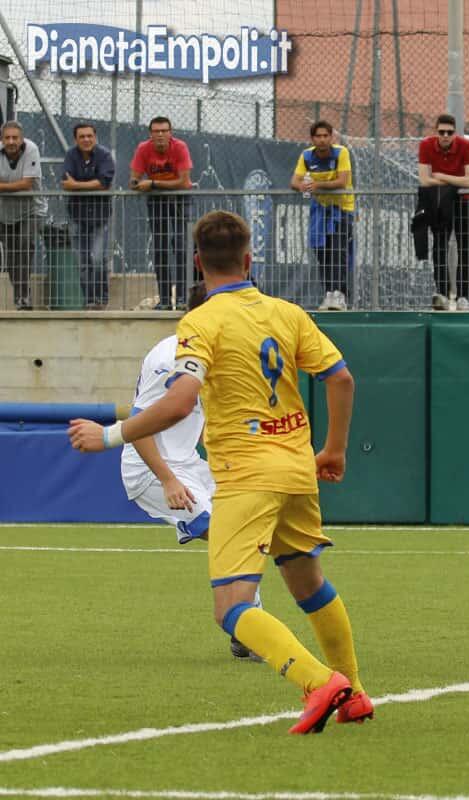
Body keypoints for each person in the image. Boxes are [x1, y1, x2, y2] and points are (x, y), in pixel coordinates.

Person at [69, 210, 373, 733]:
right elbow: (341, 379)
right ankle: (356, 693)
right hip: (296, 468)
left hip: (245, 475)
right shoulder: (287, 313)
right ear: (249, 260)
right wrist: (335, 450)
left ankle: (318, 683)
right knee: (309, 585)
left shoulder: (201, 323)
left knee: (230, 608)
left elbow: (179, 403)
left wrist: (110, 436)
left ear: (197, 263)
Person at [120, 281, 262, 660]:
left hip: (189, 465)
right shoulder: (169, 356)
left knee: (245, 528)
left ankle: (245, 630)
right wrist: (168, 480)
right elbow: (137, 425)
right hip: (151, 469)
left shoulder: (213, 352)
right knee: (226, 533)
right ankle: (251, 629)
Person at [129, 116, 193, 310]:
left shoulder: (180, 147)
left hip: (181, 198)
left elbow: (183, 182)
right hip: (157, 200)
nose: (160, 135)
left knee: (181, 246)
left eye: (164, 131)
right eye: (156, 131)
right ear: (150, 134)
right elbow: (134, 179)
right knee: (161, 248)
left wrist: (153, 183)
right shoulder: (143, 149)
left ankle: (182, 298)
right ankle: (164, 300)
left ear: (170, 133)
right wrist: (136, 183)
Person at [290, 121, 355, 311]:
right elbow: (294, 182)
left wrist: (316, 185)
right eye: (318, 136)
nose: (322, 140)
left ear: (331, 137)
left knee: (338, 252)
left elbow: (342, 181)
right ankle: (328, 294)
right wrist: (302, 186)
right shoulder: (306, 156)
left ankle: (340, 294)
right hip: (319, 210)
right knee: (322, 253)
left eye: (326, 136)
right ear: (312, 139)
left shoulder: (341, 153)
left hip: (342, 209)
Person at [418, 114, 469, 310]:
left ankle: (463, 296)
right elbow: (424, 180)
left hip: (465, 201)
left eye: (449, 132)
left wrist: (442, 176)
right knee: (439, 246)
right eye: (441, 132)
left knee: (465, 247)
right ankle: (442, 293)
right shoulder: (426, 145)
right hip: (440, 200)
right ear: (436, 132)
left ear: (454, 133)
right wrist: (454, 181)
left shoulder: (465, 146)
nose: (445, 136)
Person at [62, 123, 116, 310]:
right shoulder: (71, 155)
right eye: (82, 137)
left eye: (89, 136)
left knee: (98, 258)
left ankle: (101, 299)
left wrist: (77, 185)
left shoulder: (104, 155)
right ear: (75, 139)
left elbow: (104, 182)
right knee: (82, 262)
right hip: (77, 216)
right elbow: (66, 182)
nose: (86, 139)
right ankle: (89, 301)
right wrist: (92, 184)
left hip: (100, 216)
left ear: (95, 137)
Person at [0, 121, 45, 311]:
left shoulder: (31, 149)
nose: (11, 141)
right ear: (2, 140)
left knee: (25, 246)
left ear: (22, 138)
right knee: (11, 257)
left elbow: (26, 184)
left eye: (15, 137)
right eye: (7, 138)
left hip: (31, 210)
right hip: (5, 213)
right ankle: (21, 295)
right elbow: (19, 184)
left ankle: (23, 298)